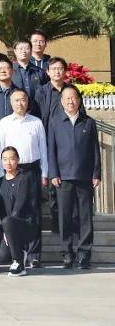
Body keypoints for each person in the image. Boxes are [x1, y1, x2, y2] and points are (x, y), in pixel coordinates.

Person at [47, 85, 102, 269]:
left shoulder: (89, 122)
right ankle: (67, 254)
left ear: (79, 100)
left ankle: (84, 254)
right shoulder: (55, 121)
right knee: (65, 217)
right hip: (63, 178)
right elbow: (51, 150)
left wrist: (96, 173)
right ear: (61, 101)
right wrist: (53, 173)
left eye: (74, 98)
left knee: (85, 217)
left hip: (85, 177)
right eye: (67, 98)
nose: (71, 101)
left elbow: (95, 150)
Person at [0, 88, 47, 267]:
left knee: (33, 210)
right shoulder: (4, 123)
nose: (20, 103)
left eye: (23, 99)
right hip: (10, 171)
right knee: (13, 210)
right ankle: (17, 249)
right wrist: (2, 173)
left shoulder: (36, 122)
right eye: (16, 100)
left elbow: (43, 149)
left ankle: (34, 254)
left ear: (28, 101)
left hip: (32, 170)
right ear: (11, 103)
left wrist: (45, 173)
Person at [0, 146, 38, 276]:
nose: (8, 162)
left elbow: (19, 208)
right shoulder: (0, 182)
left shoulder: (24, 178)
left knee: (8, 221)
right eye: (5, 159)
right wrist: (4, 228)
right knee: (2, 256)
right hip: (7, 226)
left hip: (26, 224)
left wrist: (7, 226)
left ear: (18, 160)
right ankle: (21, 252)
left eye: (12, 159)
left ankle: (18, 263)